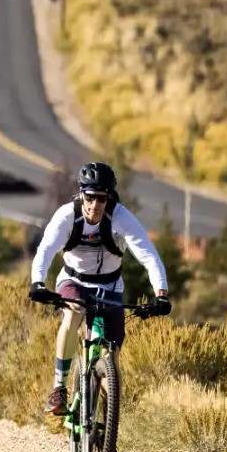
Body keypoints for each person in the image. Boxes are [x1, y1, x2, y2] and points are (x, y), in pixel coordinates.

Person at [27, 162, 170, 421]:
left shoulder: (122, 218)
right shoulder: (66, 216)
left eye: (101, 198)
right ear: (81, 194)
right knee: (73, 314)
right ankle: (59, 387)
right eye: (90, 197)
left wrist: (161, 293)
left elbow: (148, 255)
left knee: (110, 359)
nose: (94, 205)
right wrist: (38, 283)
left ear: (109, 197)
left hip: (111, 285)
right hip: (74, 281)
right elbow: (45, 251)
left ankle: (106, 434)